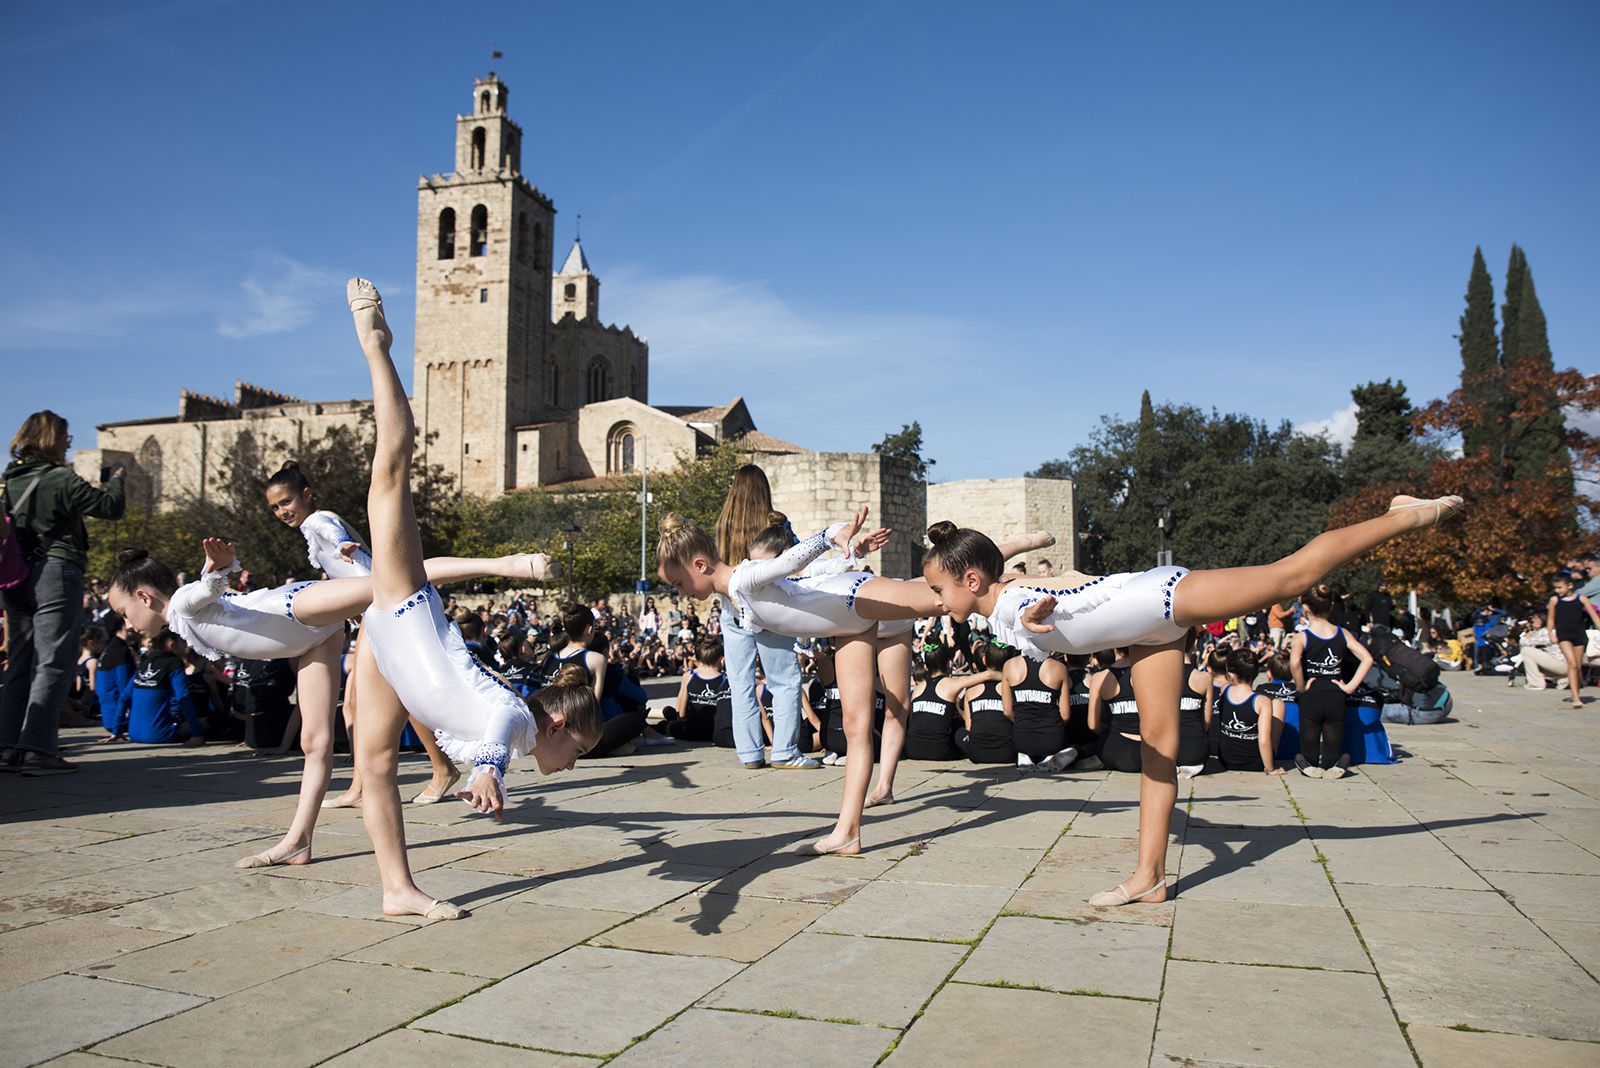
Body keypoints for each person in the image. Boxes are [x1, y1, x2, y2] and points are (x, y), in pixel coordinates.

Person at [919, 491, 1461, 908]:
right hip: (1147, 631)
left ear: (970, 580)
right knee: (1158, 747)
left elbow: (1033, 600)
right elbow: (1045, 581)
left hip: (1160, 598)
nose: (936, 602)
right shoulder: (999, 606)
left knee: (1289, 576)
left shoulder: (1014, 607)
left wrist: (1040, 611)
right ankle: (1149, 878)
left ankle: (1410, 515)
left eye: (940, 591)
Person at [342, 277, 602, 919]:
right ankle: (378, 346)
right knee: (393, 464)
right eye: (578, 755)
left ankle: (396, 891)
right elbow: (496, 735)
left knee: (375, 766)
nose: (572, 768)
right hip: (403, 613)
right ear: (559, 728)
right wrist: (487, 772)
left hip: (387, 643)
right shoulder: (516, 720)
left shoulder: (521, 731)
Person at [265, 460, 463, 809]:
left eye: (286, 502)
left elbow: (333, 534)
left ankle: (440, 767)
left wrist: (342, 545)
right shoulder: (315, 523)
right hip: (374, 612)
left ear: (306, 495)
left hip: (383, 609)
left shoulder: (317, 520)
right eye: (275, 507)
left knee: (394, 696)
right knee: (359, 702)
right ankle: (362, 786)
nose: (281, 512)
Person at [0, 411, 126, 773]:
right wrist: (116, 480)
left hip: (17, 574)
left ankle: (8, 747)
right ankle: (38, 748)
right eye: (64, 437)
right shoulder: (59, 478)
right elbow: (109, 507)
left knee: (21, 661)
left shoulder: (9, 480)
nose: (68, 443)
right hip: (55, 569)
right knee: (54, 660)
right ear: (51, 438)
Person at [713, 467, 816, 770]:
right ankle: (785, 751)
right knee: (784, 679)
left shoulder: (723, 525)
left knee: (740, 682)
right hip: (769, 609)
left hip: (731, 607)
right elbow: (797, 558)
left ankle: (749, 753)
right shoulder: (776, 522)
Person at [1290, 583, 1375, 780]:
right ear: (1330, 607)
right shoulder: (1342, 633)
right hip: (1336, 694)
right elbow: (1367, 659)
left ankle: (1309, 766)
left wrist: (1301, 685)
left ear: (1306, 608)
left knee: (1309, 750)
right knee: (1332, 750)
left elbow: (1294, 663)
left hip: (1311, 694)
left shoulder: (1302, 636)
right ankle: (1334, 764)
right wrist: (1350, 687)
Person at [1004, 645, 1077, 770]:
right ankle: (1049, 758)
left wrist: (1023, 723)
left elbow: (1007, 711)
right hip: (1053, 738)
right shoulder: (1059, 668)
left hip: (1021, 737)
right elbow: (1065, 715)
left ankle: (1025, 757)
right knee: (1076, 748)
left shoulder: (1009, 666)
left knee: (1026, 745)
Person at [127, 632, 207, 745]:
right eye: (183, 641)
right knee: (214, 722)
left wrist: (117, 730)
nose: (186, 645)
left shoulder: (145, 662)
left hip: (134, 734)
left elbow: (124, 696)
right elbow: (183, 698)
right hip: (162, 735)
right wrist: (197, 734)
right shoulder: (173, 663)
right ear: (171, 644)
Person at [1214, 646, 1283, 774]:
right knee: (1278, 704)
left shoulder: (1224, 689)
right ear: (1256, 673)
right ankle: (1271, 760)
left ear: (1230, 674)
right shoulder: (1262, 701)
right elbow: (1264, 741)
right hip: (1253, 762)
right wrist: (1270, 769)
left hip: (1225, 759)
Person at [956, 640, 1015, 764]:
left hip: (976, 753)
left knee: (958, 732)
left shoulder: (971, 690)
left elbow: (969, 727)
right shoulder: (1012, 688)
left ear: (984, 661)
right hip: (1009, 752)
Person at [664, 634, 728, 742]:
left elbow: (681, 712)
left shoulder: (689, 676)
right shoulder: (725, 680)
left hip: (691, 731)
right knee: (669, 713)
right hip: (714, 731)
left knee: (669, 719)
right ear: (721, 659)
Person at [1549, 573, 1600, 708]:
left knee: (1577, 665)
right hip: (1563, 635)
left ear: (1569, 586)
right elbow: (1551, 618)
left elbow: (1594, 616)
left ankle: (1577, 686)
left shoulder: (1581, 599)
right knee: (1571, 663)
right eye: (1556, 588)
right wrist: (1550, 633)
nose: (1557, 590)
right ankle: (1576, 698)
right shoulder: (1554, 601)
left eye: (1560, 587)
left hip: (1579, 634)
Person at [1088, 650, 1142, 772]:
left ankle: (1080, 751)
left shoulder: (1099, 678)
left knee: (1092, 745)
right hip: (1147, 750)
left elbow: (1093, 725)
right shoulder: (1148, 673)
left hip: (1114, 747)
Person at [1517, 611, 1570, 691]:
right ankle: (1563, 679)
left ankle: (1536, 683)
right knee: (1534, 657)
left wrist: (1527, 634)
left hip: (1561, 664)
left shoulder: (1546, 631)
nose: (1533, 620)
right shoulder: (1553, 630)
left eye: (1535, 618)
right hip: (1565, 665)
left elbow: (1524, 643)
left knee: (1526, 651)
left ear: (1543, 619)